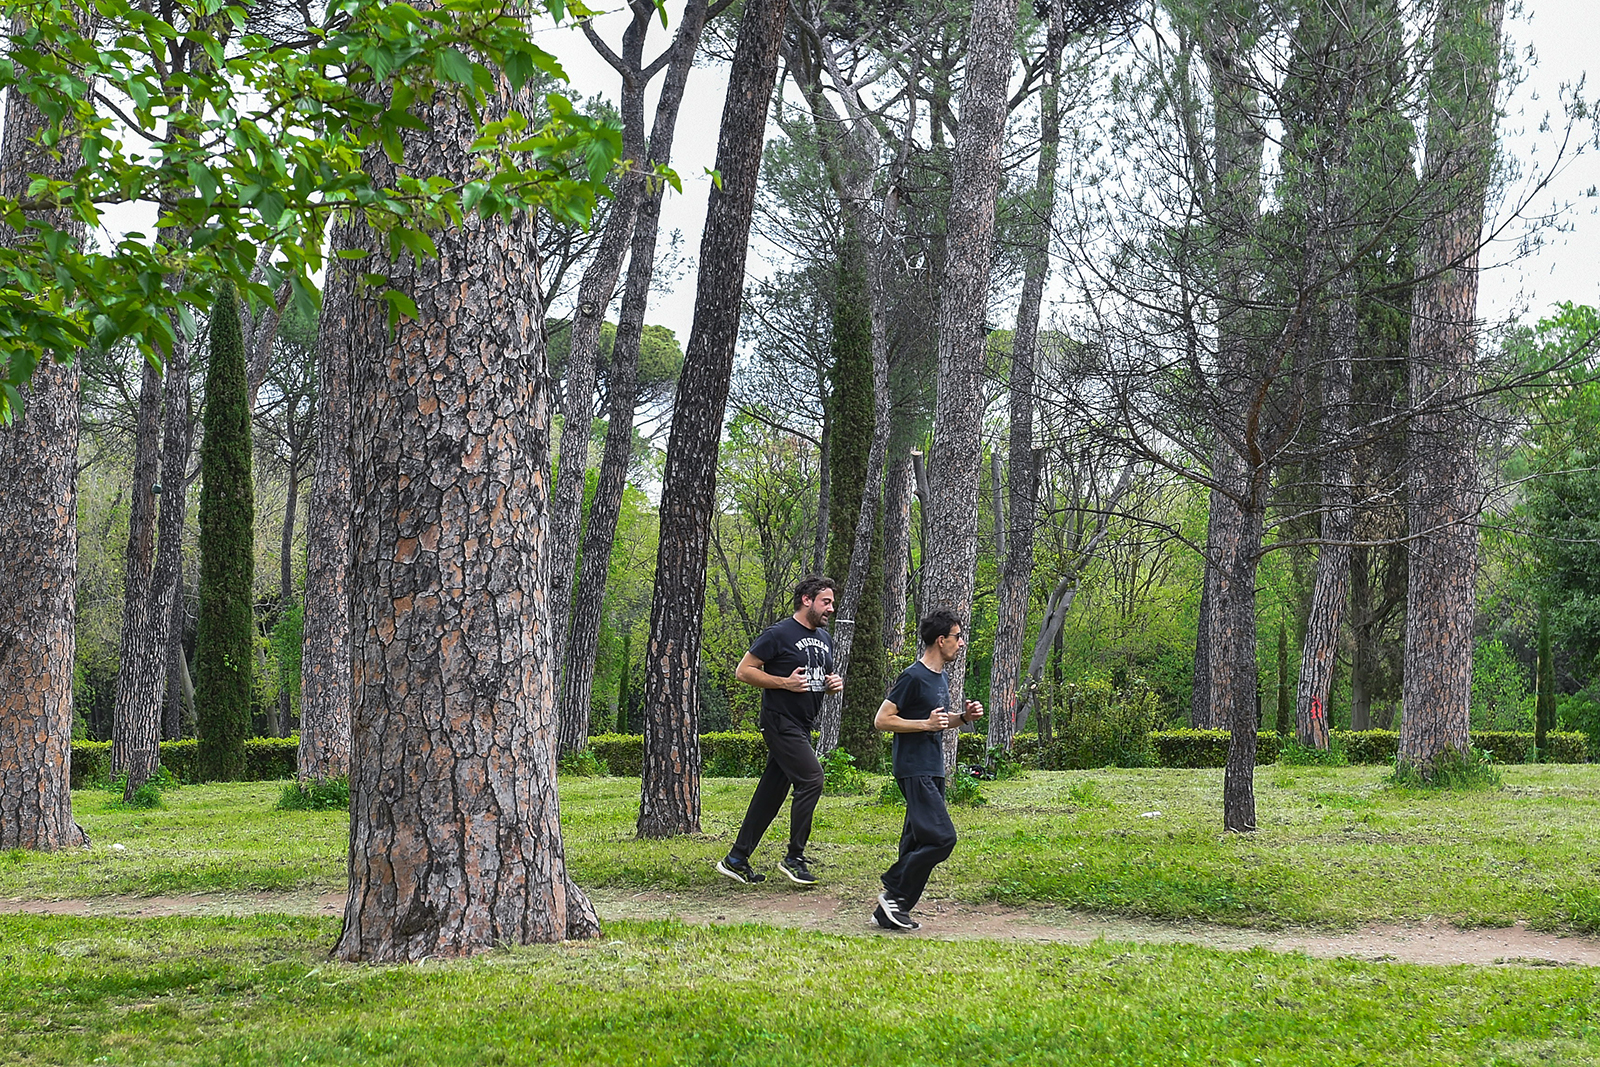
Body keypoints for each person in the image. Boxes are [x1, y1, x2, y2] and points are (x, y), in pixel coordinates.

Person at [716, 575, 844, 886]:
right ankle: (794, 857)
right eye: (826, 602)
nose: (831, 608)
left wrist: (831, 684)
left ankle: (736, 859)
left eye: (831, 602)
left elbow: (818, 678)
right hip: (779, 721)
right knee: (812, 779)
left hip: (803, 724)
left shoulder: (824, 638)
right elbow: (743, 671)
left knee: (771, 793)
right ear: (806, 600)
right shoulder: (778, 633)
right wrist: (784, 683)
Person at [870, 610, 983, 930]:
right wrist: (925, 724)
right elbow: (882, 720)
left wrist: (964, 717)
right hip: (913, 767)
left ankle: (889, 912)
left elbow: (940, 721)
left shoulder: (940, 677)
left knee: (916, 841)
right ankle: (895, 892)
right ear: (941, 640)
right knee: (942, 838)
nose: (961, 643)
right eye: (958, 637)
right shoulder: (913, 676)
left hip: (933, 768)